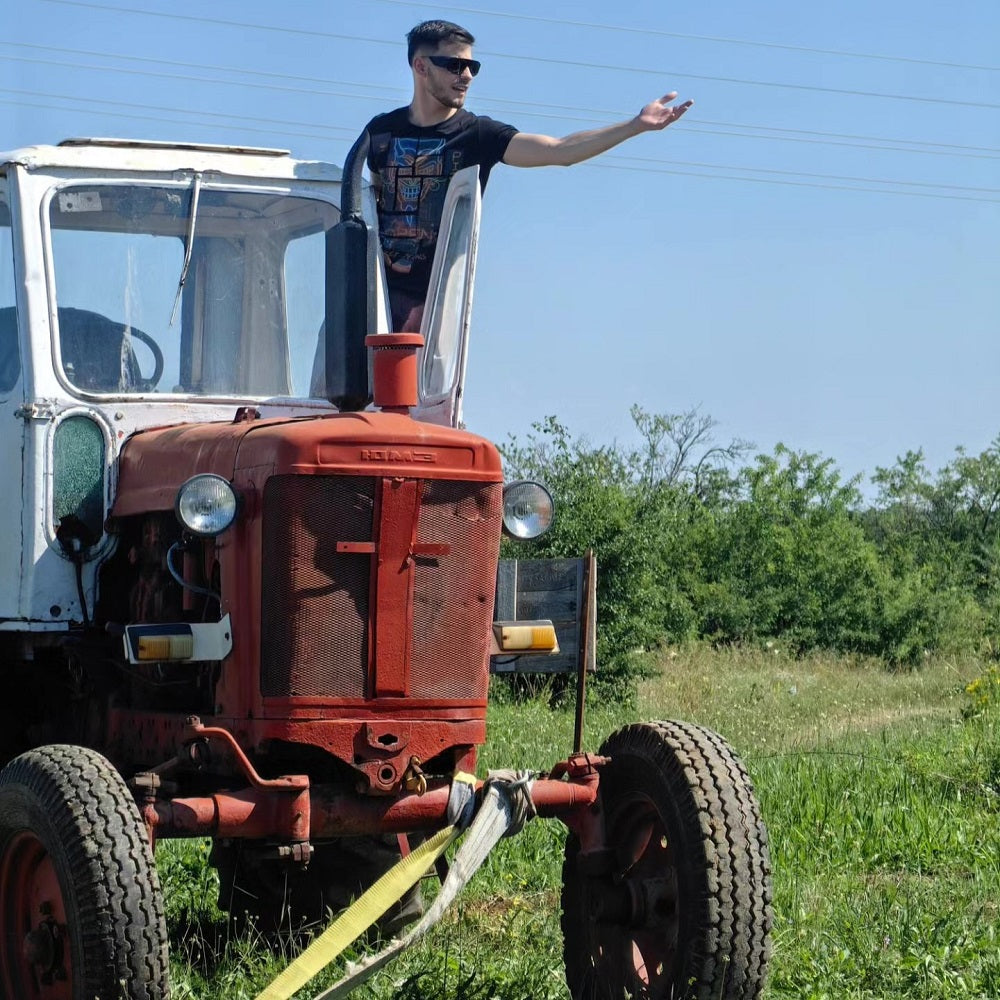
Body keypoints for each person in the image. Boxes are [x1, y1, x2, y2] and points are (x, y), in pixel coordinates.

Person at [362, 20, 694, 332]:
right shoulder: (380, 132)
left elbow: (558, 150)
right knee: (337, 381)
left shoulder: (478, 134)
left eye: (472, 67)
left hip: (431, 302)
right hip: (369, 293)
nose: (466, 76)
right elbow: (363, 204)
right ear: (421, 67)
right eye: (455, 65)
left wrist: (634, 126)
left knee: (403, 379)